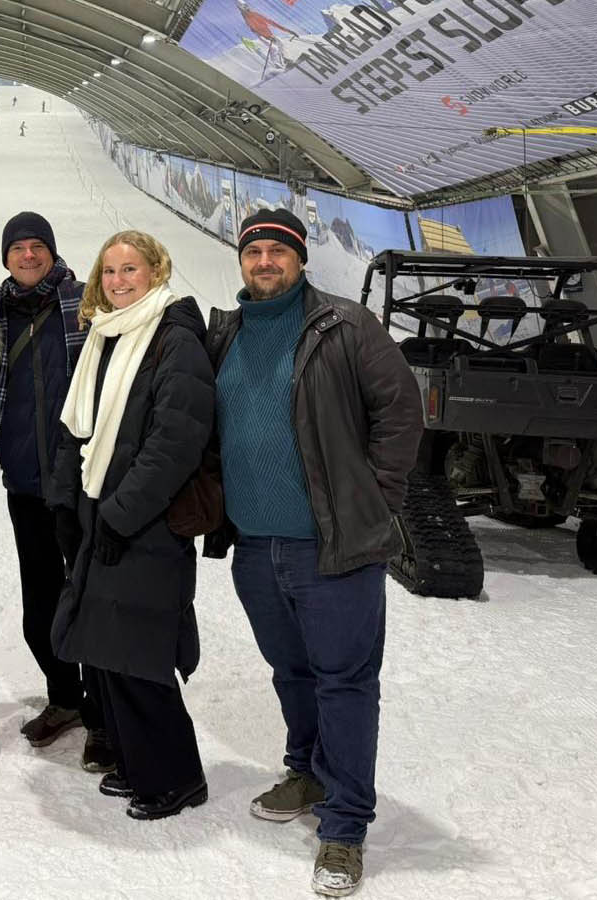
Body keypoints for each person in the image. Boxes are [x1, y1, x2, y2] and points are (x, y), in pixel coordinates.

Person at [204, 208, 421, 897]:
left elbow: (401, 410)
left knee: (345, 681)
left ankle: (346, 826)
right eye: (254, 251)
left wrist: (375, 500)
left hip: (332, 549)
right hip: (255, 546)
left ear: (300, 259)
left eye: (277, 251)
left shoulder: (344, 326)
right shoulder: (226, 333)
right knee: (291, 672)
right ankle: (307, 769)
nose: (264, 261)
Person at [47, 230, 213, 821]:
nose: (119, 280)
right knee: (106, 649)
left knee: (139, 653)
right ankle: (133, 760)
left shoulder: (174, 338)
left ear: (156, 270)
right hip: (102, 513)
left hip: (143, 523)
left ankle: (175, 778)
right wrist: (71, 503)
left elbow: (176, 442)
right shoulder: (106, 336)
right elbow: (81, 425)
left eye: (131, 269)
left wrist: (121, 515)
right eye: (109, 270)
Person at [0, 212, 111, 770]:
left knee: (93, 598)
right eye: (19, 248)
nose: (29, 256)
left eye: (39, 246)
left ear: (54, 252)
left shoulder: (88, 306)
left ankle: (106, 716)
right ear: (7, 256)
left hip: (83, 481)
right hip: (25, 485)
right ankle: (65, 697)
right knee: (40, 602)